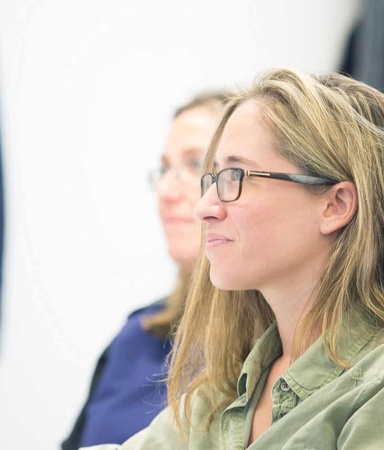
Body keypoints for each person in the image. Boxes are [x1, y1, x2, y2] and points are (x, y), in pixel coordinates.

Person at [80, 67, 384, 449]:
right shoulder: (220, 393)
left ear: (334, 205)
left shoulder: (373, 391)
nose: (203, 208)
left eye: (235, 177)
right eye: (213, 178)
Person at [62, 90, 232, 449]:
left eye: (196, 164)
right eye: (166, 168)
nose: (167, 191)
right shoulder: (136, 336)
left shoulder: (276, 357)